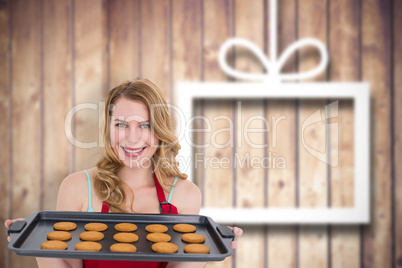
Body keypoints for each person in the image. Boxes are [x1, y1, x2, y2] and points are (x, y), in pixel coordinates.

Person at [5, 79, 243, 268]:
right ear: (108, 129)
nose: (132, 137)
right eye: (121, 124)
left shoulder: (184, 195)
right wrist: (35, 242)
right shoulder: (78, 187)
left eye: (145, 125)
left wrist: (211, 246)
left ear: (159, 131)